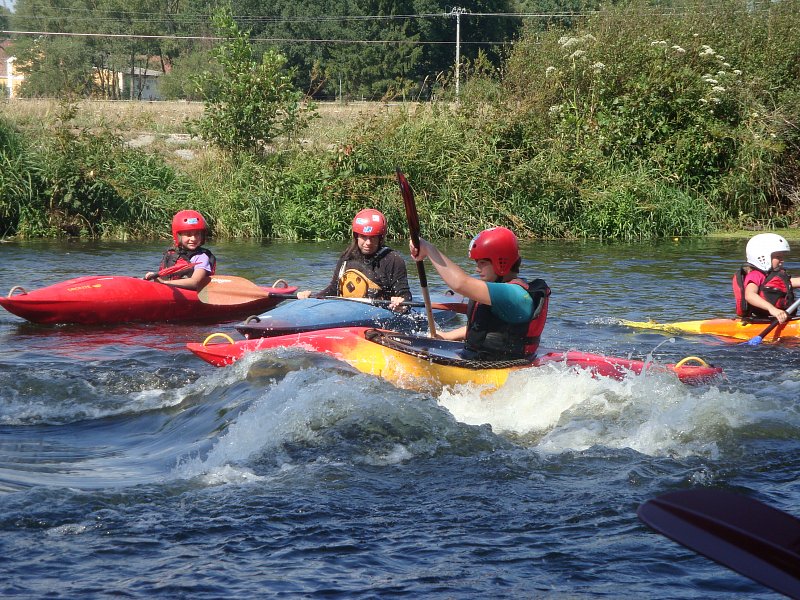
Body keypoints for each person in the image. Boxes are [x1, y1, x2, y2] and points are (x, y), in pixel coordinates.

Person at [409, 226, 550, 360]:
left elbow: (460, 283)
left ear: (501, 262)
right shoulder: (502, 288)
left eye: (482, 263)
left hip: (497, 366)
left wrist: (429, 249)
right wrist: (447, 336)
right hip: (480, 359)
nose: (477, 269)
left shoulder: (513, 294)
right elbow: (485, 328)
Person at [296, 208, 412, 310]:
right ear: (356, 236)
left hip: (380, 312)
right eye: (363, 237)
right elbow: (334, 288)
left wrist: (401, 303)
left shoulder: (393, 260)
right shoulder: (347, 257)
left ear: (380, 238)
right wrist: (312, 298)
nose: (368, 243)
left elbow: (405, 295)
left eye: (373, 238)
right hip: (347, 310)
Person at [733, 233, 800, 324]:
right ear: (762, 256)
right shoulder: (755, 275)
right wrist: (772, 309)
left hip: (782, 318)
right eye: (778, 257)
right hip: (764, 319)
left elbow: (789, 283)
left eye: (782, 257)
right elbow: (750, 295)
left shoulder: (773, 275)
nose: (782, 260)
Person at [144, 210, 216, 291]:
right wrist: (153, 277)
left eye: (197, 234)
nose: (193, 239)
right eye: (188, 235)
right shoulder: (172, 253)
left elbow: (196, 282)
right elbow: (163, 276)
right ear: (178, 236)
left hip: (191, 293)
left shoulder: (202, 257)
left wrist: (164, 283)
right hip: (169, 289)